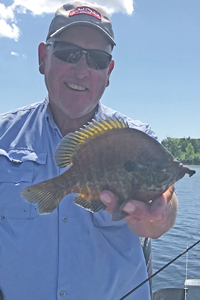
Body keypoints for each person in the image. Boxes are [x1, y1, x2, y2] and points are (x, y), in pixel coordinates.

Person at [0, 1, 178, 299]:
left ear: (108, 72)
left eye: (96, 59)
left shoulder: (135, 139)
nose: (82, 71)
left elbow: (166, 207)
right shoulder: (3, 137)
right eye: (69, 54)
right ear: (43, 58)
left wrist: (159, 217)